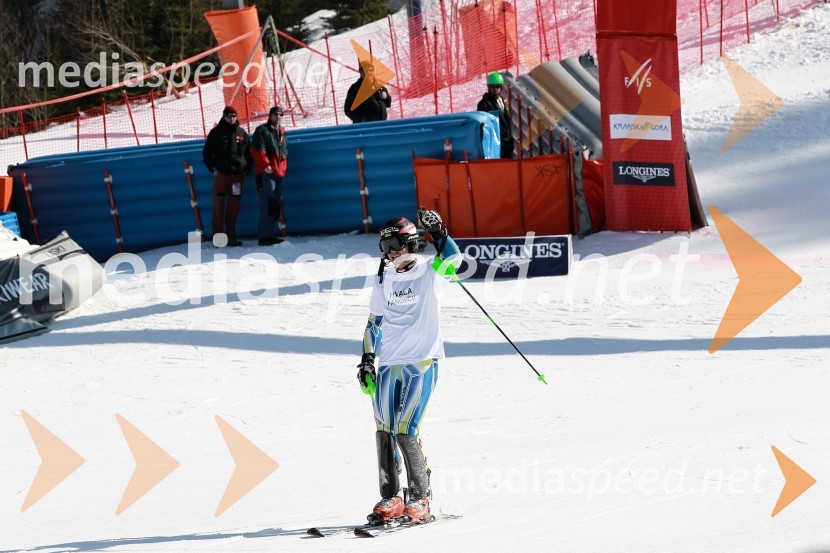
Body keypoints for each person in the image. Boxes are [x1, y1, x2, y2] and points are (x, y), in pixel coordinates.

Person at [356, 209, 460, 524]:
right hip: (389, 364)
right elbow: (374, 323)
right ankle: (391, 497)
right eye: (385, 247)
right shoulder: (383, 278)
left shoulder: (430, 272)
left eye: (397, 244)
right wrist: (367, 360)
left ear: (411, 242)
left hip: (422, 361)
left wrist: (440, 231)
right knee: (383, 431)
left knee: (406, 428)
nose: (392, 252)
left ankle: (420, 499)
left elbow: (453, 258)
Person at [203, 106, 251, 246]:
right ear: (224, 117)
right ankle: (218, 239)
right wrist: (213, 170)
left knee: (233, 209)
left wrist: (247, 169)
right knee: (218, 207)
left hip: (237, 178)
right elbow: (207, 154)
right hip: (222, 177)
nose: (232, 118)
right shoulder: (216, 133)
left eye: (234, 116)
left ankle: (231, 237)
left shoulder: (241, 133)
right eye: (229, 116)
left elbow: (249, 153)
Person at [250, 106, 288, 246]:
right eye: (275, 114)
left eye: (280, 114)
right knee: (267, 204)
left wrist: (282, 169)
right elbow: (257, 149)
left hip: (278, 173)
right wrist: (266, 166)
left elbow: (284, 153)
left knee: (275, 205)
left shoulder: (282, 132)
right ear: (270, 116)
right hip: (266, 173)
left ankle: (269, 234)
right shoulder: (263, 130)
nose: (278, 116)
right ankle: (264, 236)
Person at [477, 72, 515, 159]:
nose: (495, 89)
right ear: (488, 87)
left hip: (507, 143)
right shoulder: (484, 104)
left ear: (501, 87)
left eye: (497, 86)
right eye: (492, 87)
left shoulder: (503, 101)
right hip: (496, 144)